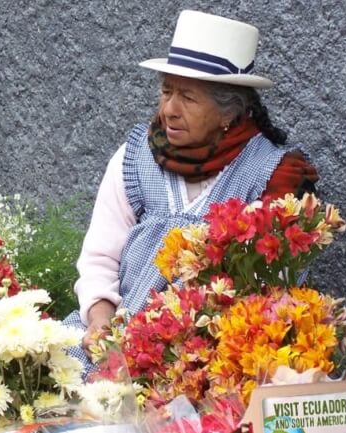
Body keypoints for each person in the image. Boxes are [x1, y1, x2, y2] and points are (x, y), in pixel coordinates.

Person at [64, 10, 319, 368]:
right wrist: (100, 322)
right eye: (166, 91)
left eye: (188, 97)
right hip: (112, 342)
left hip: (210, 357)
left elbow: (270, 292)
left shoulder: (276, 177)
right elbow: (100, 259)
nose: (169, 109)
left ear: (228, 112)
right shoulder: (135, 157)